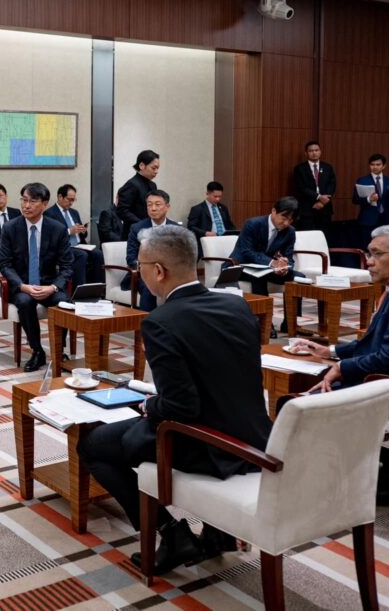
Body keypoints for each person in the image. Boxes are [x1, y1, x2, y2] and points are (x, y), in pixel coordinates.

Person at [77, 225, 271, 575]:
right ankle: (217, 533)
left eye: (139, 266)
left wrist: (149, 405)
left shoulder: (160, 321)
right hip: (254, 435)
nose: (138, 273)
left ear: (158, 271)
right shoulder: (236, 305)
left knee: (91, 446)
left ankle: (171, 533)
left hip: (206, 443)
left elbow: (181, 408)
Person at [296, 225, 389, 503]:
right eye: (368, 254)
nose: (368, 262)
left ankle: (376, 484)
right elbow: (381, 344)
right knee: (325, 383)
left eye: (376, 254)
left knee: (312, 404)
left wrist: (342, 368)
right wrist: (332, 351)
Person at [0, 183, 74, 373]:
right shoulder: (10, 228)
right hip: (22, 285)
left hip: (48, 284)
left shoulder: (57, 229)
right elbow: (5, 264)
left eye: (32, 201)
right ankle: (37, 351)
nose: (26, 205)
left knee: (64, 302)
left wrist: (53, 287)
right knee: (25, 302)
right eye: (24, 200)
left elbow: (67, 266)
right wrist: (22, 286)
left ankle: (58, 349)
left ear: (45, 204)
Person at [229, 196, 302, 338]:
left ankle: (290, 323)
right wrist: (272, 263)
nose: (286, 223)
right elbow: (247, 251)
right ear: (274, 211)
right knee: (259, 277)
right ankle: (265, 323)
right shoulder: (252, 224)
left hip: (266, 268)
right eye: (284, 218)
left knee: (299, 278)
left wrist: (285, 266)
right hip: (240, 266)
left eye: (290, 220)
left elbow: (289, 256)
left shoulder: (290, 231)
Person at [125, 190, 179, 311]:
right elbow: (131, 258)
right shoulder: (137, 228)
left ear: (167, 207)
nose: (153, 208)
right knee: (150, 287)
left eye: (157, 204)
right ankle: (148, 321)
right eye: (149, 205)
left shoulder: (177, 229)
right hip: (145, 274)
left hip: (170, 273)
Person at [44, 184, 104, 289]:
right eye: (69, 199)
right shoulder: (49, 213)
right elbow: (51, 237)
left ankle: (97, 288)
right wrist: (69, 231)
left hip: (80, 245)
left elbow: (83, 234)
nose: (71, 203)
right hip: (64, 248)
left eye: (73, 200)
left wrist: (82, 230)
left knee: (98, 254)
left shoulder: (74, 212)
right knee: (82, 255)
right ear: (60, 197)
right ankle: (80, 290)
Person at [353, 153, 389, 247]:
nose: (375, 167)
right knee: (367, 246)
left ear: (384, 166)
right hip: (368, 220)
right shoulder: (362, 180)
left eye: (378, 164)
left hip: (385, 219)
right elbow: (355, 200)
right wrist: (369, 199)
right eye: (372, 164)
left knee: (384, 247)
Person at [116, 150, 160, 240]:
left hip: (150, 232)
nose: (156, 171)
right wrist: (142, 224)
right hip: (133, 233)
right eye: (153, 168)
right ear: (141, 166)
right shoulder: (132, 184)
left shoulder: (153, 185)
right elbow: (122, 210)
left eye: (157, 168)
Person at [293, 140, 336, 232]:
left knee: (324, 236)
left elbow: (332, 185)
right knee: (308, 236)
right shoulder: (299, 168)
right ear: (306, 153)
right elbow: (301, 188)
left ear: (320, 151)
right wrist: (318, 197)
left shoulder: (328, 167)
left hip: (325, 208)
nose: (314, 153)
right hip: (307, 209)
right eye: (311, 151)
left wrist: (322, 202)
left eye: (316, 150)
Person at [186, 181, 235, 246]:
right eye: (215, 196)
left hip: (225, 240)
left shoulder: (223, 208)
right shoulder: (197, 209)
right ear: (207, 194)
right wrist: (205, 233)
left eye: (220, 196)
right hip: (209, 241)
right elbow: (191, 227)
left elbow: (230, 225)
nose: (218, 199)